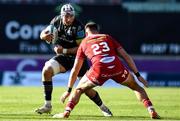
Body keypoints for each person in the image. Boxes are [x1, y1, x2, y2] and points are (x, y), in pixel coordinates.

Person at [53, 22, 161, 119]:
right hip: (116, 66)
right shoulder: (107, 37)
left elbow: (76, 69)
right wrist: (138, 75)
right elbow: (126, 56)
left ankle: (66, 112)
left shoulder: (84, 42)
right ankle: (151, 110)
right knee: (136, 87)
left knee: (79, 90)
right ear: (97, 30)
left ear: (86, 32)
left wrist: (68, 90)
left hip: (99, 68)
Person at [35, 4, 112, 117]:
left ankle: (102, 107)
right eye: (66, 16)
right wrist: (44, 37)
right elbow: (44, 33)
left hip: (78, 58)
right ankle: (47, 105)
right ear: (61, 16)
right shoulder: (56, 21)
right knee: (46, 70)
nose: (69, 18)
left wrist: (64, 50)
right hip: (63, 57)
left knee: (86, 89)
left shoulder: (79, 27)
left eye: (71, 16)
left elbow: (81, 49)